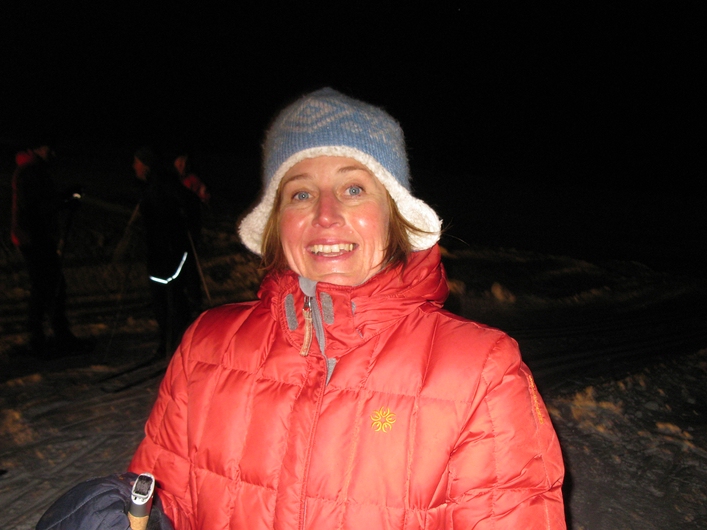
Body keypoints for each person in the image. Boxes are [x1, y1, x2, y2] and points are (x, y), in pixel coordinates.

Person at [37, 88, 565, 529]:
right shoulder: (206, 347)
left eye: (353, 188)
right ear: (276, 221)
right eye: (300, 194)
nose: (326, 215)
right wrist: (123, 514)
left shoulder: (481, 374)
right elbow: (164, 498)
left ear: (394, 214)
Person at [10, 140, 93, 358]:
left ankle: (48, 334)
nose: (52, 153)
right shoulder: (30, 172)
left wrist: (64, 198)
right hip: (33, 238)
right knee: (48, 285)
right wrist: (64, 201)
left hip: (35, 236)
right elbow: (36, 206)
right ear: (37, 148)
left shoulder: (34, 170)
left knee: (50, 284)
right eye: (48, 148)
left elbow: (43, 202)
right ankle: (41, 336)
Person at [133, 147, 202, 357]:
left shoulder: (162, 182)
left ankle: (176, 342)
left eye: (137, 162)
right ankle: (168, 341)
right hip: (158, 250)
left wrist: (182, 225)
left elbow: (190, 203)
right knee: (163, 297)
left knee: (172, 296)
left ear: (145, 164)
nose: (134, 167)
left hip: (169, 250)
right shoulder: (150, 184)